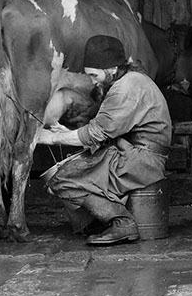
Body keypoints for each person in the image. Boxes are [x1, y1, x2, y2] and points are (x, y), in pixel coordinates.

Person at [37, 35, 172, 245]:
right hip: (133, 154)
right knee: (74, 171)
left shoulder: (126, 88)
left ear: (110, 70)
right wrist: (66, 131)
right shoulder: (132, 80)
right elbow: (105, 129)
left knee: (62, 180)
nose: (92, 81)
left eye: (94, 75)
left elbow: (96, 133)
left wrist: (52, 138)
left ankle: (121, 222)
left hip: (141, 161)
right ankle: (102, 221)